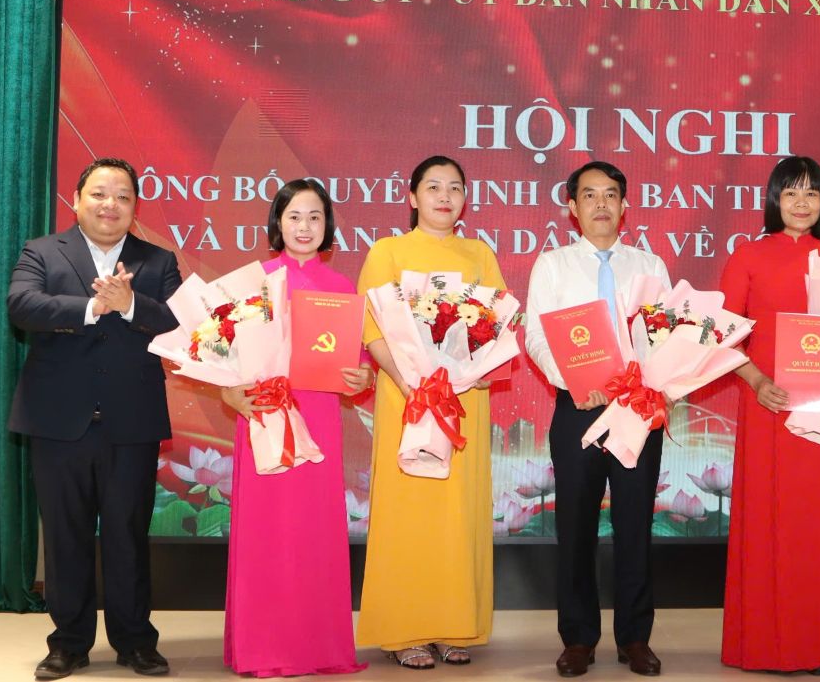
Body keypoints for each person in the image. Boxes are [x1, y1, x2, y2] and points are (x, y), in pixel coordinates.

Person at [7, 158, 181, 679]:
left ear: (134, 206)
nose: (111, 205)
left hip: (131, 422)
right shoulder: (42, 251)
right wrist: (92, 308)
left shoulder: (157, 260)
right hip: (59, 421)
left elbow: (178, 323)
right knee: (66, 535)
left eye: (123, 196)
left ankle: (135, 641)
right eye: (100, 194)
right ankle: (69, 642)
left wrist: (130, 305)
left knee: (128, 534)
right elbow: (22, 305)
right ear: (77, 199)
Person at [355, 156, 506, 669]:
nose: (445, 196)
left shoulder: (479, 253)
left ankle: (450, 624)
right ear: (412, 196)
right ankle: (404, 631)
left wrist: (467, 374)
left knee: (456, 512)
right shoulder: (388, 252)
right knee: (410, 510)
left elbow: (497, 325)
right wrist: (409, 382)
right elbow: (373, 328)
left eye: (456, 187)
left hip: (462, 400)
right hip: (407, 398)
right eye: (433, 186)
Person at [219, 179, 372, 677]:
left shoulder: (343, 289)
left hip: (319, 420)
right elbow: (222, 358)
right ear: (277, 223)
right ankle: (262, 648)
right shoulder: (251, 282)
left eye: (315, 217)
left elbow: (358, 369)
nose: (304, 227)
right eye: (294, 216)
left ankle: (319, 647)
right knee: (267, 532)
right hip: (264, 417)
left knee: (312, 532)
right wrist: (229, 391)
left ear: (327, 226)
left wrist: (360, 378)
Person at [524, 161, 671, 678]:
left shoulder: (650, 265)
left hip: (636, 410)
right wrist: (572, 381)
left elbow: (665, 335)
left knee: (635, 526)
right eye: (590, 196)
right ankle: (579, 639)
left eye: (611, 195)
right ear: (572, 207)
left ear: (626, 206)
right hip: (578, 408)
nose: (601, 205)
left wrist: (650, 375)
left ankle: (635, 637)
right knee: (576, 526)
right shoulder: (553, 266)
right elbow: (537, 338)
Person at [717, 156, 820, 674]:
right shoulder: (747, 256)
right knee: (771, 520)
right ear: (774, 199)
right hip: (769, 406)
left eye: (812, 194)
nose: (802, 204)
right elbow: (726, 334)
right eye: (791, 193)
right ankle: (766, 644)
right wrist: (756, 381)